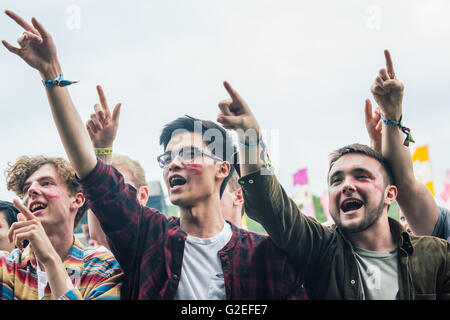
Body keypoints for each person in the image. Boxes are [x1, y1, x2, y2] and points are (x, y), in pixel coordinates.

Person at [2, 11, 306, 300]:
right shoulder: (148, 236)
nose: (174, 162)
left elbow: (271, 202)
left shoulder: (265, 255)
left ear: (222, 169)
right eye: (167, 157)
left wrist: (251, 136)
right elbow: (91, 172)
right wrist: (51, 74)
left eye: (188, 153)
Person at [216, 65, 450, 299]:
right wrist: (248, 137)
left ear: (390, 194)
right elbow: (271, 207)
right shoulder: (319, 248)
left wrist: (393, 119)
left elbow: (407, 181)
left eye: (361, 176)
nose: (347, 185)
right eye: (336, 180)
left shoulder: (436, 256)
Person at [0, 155, 123, 299]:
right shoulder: (7, 267)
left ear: (77, 200)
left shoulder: (104, 268)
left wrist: (50, 260)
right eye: (26, 188)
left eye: (46, 183)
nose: (31, 190)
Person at [364, 51, 450, 241]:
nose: (407, 225)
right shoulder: (445, 228)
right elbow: (404, 186)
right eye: (403, 217)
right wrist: (391, 116)